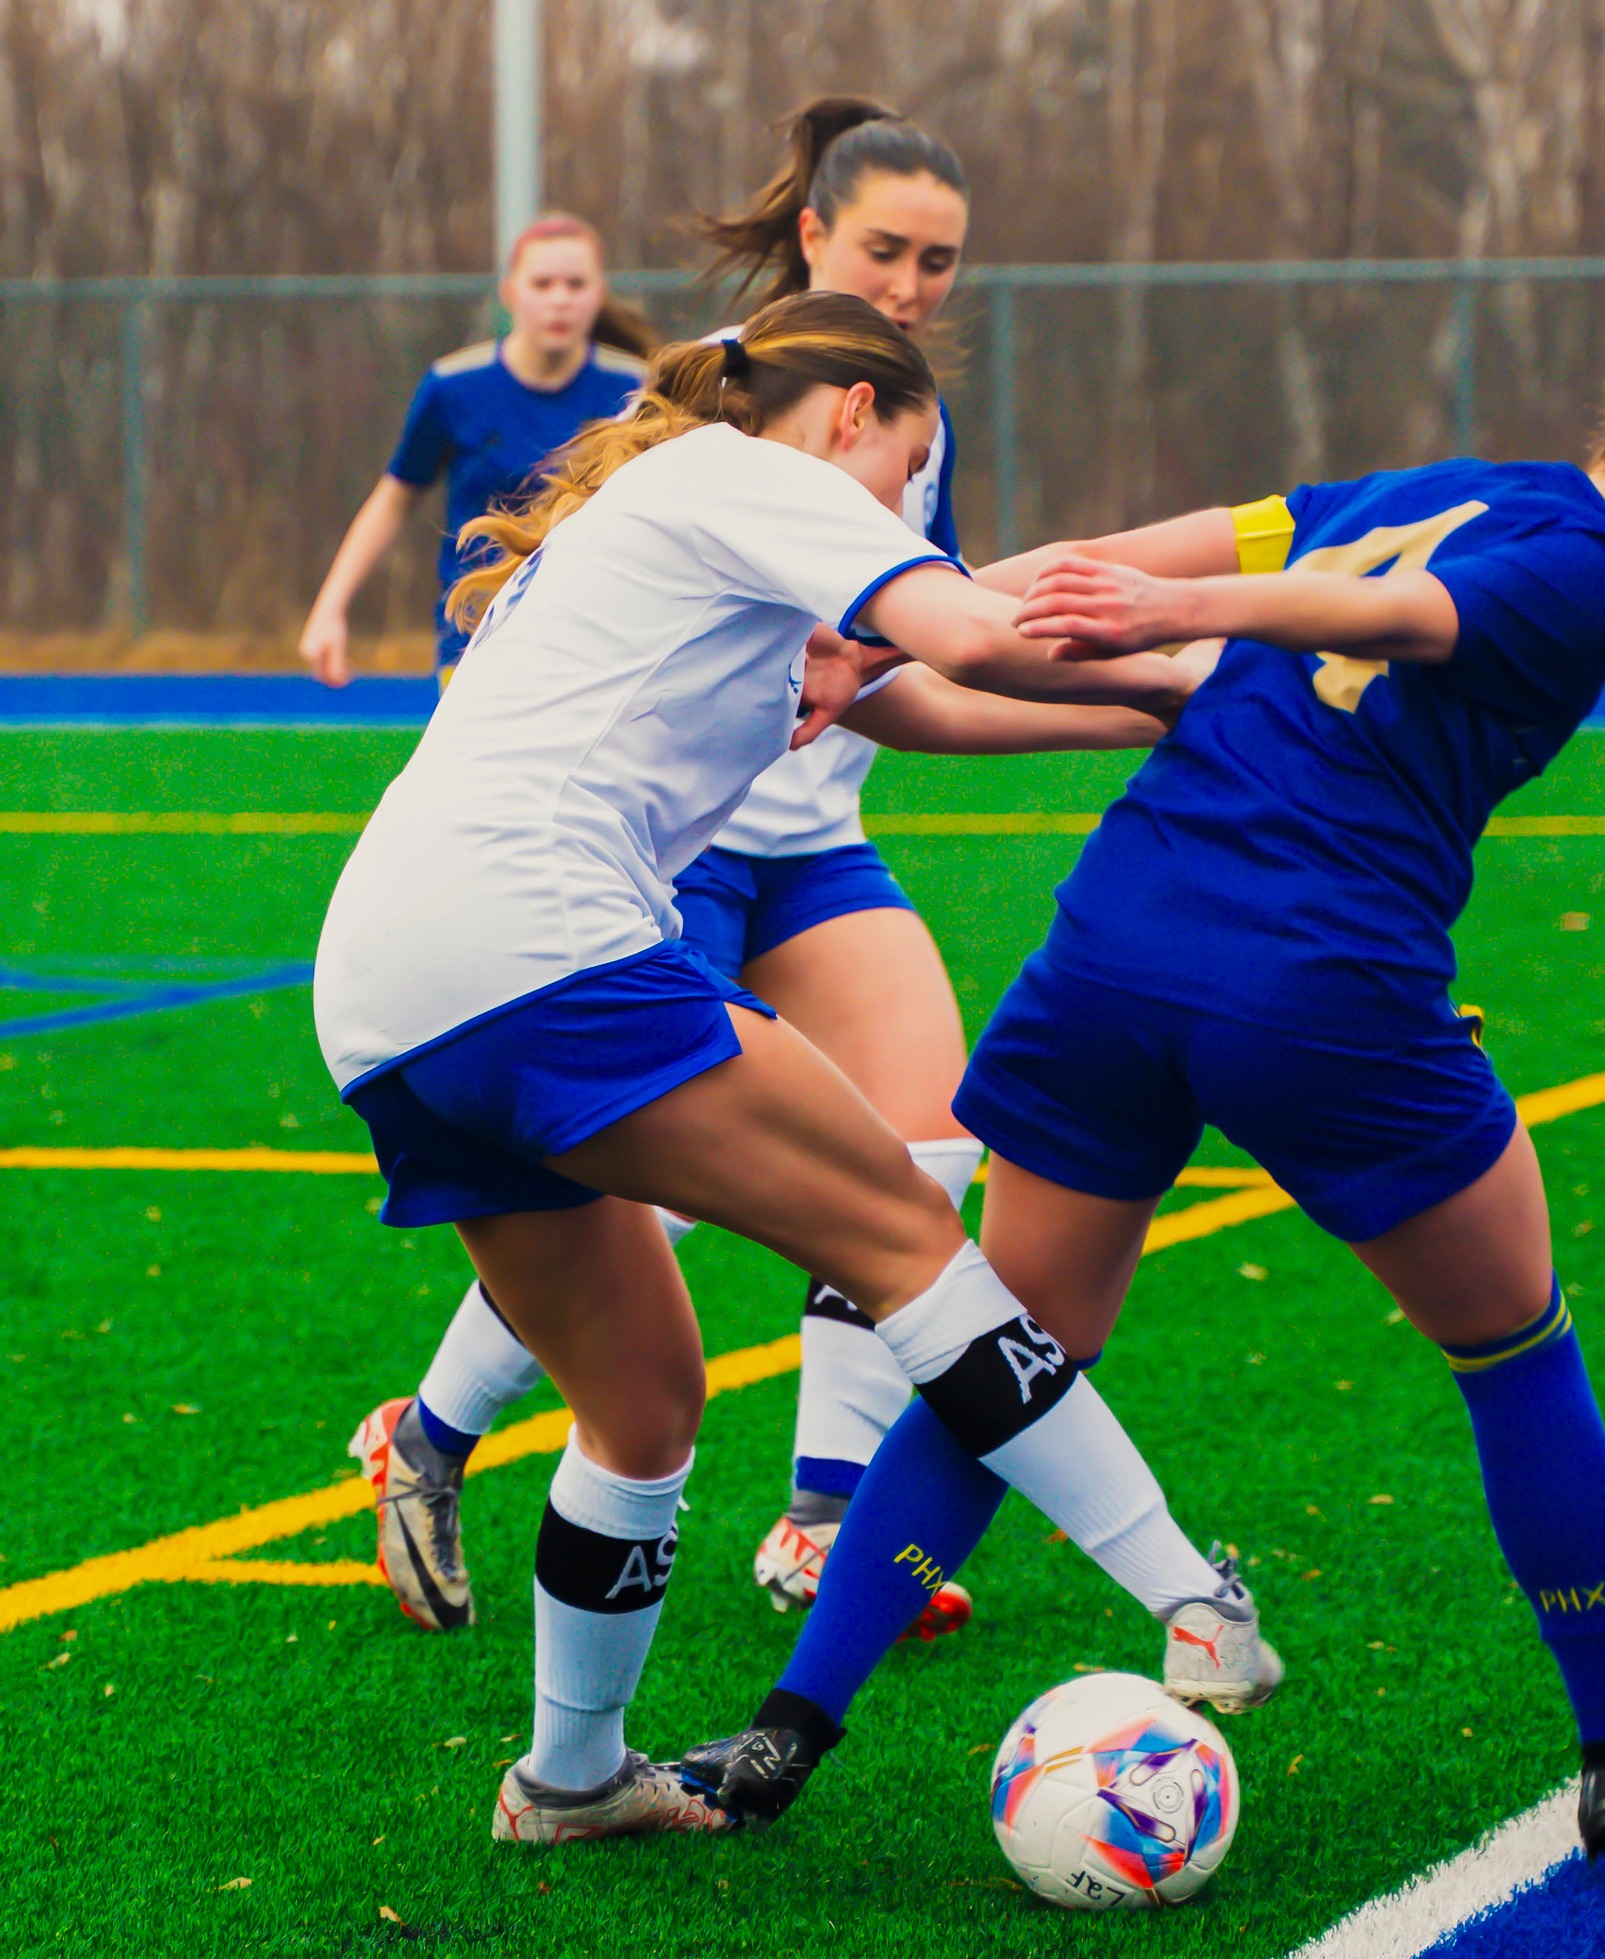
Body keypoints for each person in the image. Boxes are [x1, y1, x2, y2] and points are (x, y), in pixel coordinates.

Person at [681, 363, 1605, 1876]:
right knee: (1515, 1339)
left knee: (1004, 1362)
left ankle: (782, 1733)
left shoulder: (1438, 485)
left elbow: (1185, 542)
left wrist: (875, 621)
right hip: (1317, 973)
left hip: (1117, 947)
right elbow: (1405, 623)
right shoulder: (1601, 567)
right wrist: (1156, 619)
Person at [311, 292, 1278, 1847]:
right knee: (909, 1238)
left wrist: (1167, 702)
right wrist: (1274, 641)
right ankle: (1195, 1598)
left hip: (388, 992)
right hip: (540, 942)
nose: (907, 507)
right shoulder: (755, 479)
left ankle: (568, 1782)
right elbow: (961, 622)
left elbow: (925, 681)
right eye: (907, 469)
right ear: (849, 416)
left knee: (642, 1401)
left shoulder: (687, 503)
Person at [351, 102, 1012, 1640]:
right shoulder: (728, 403)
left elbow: (914, 646)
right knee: (646, 1198)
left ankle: (818, 1515)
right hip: (676, 860)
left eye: (943, 262)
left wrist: (1138, 691)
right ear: (813, 244)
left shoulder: (916, 422)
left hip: (821, 842)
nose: (916, 285)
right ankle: (429, 1436)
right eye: (886, 253)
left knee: (926, 1130)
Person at [298, 212, 653, 689]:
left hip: (596, 641)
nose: (560, 299)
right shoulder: (453, 387)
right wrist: (329, 608)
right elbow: (395, 497)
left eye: (576, 284)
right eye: (543, 283)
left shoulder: (636, 389)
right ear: (510, 292)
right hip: (474, 637)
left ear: (599, 293)